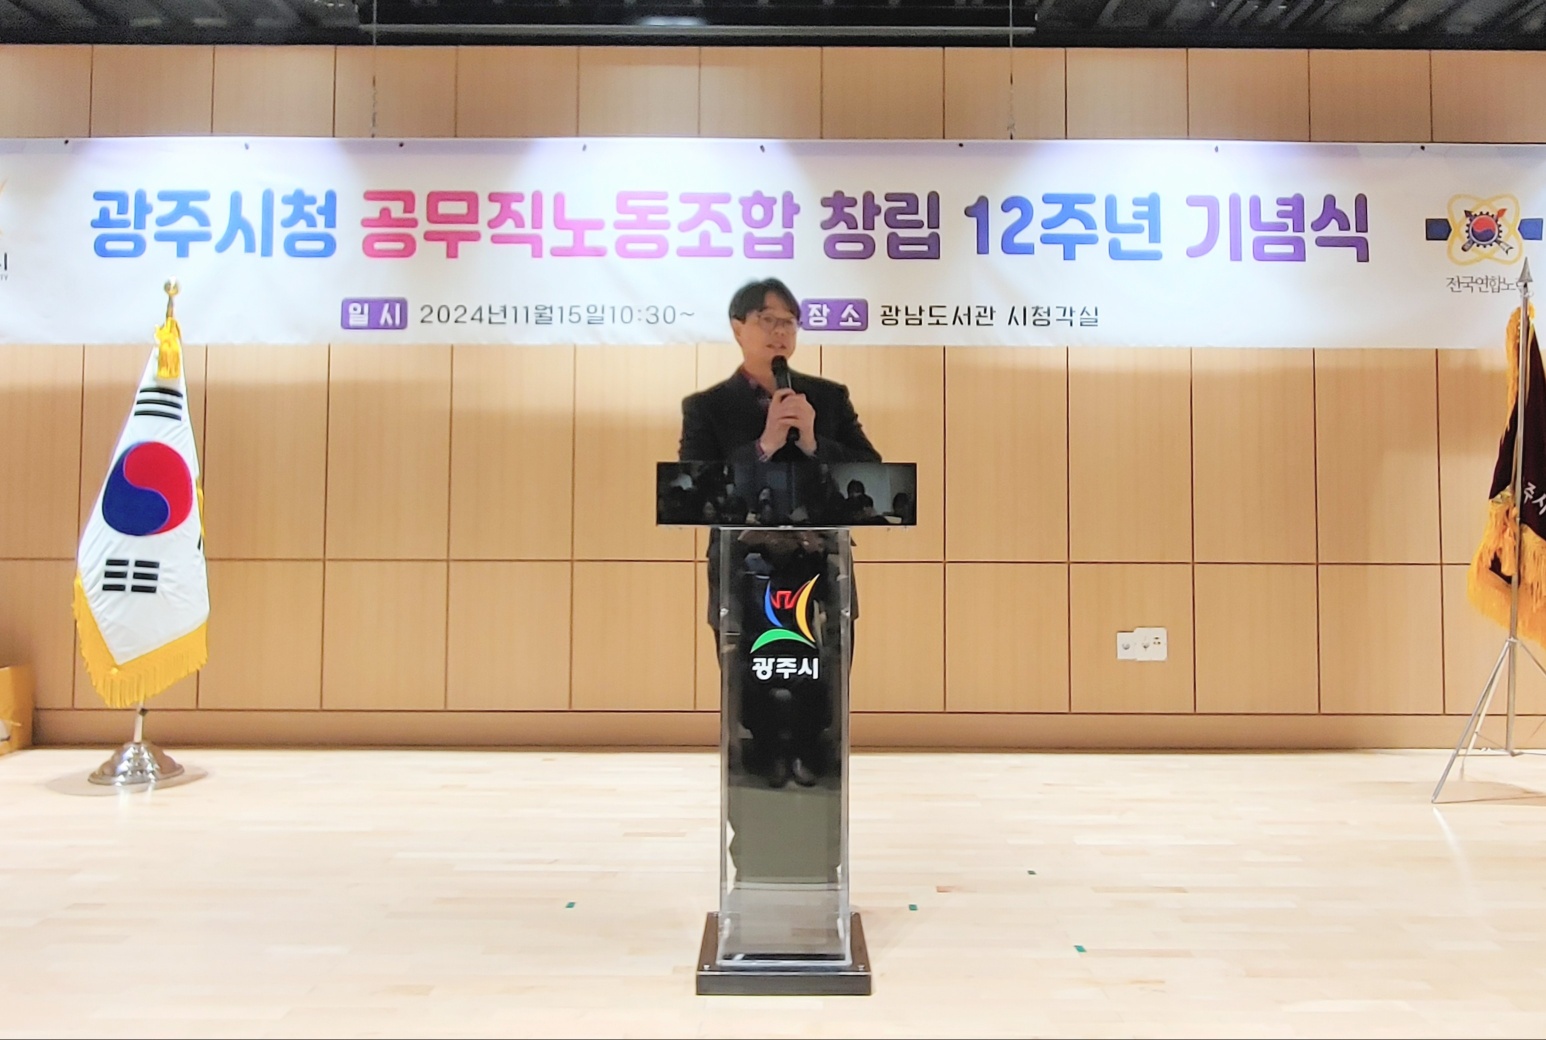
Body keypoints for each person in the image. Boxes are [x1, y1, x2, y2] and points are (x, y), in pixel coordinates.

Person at [678, 278, 880, 789]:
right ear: (738, 328)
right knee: (750, 680)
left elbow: (872, 476)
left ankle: (817, 764)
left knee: (823, 680)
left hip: (821, 568)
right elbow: (698, 486)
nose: (779, 332)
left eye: (788, 322)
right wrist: (764, 444)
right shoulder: (706, 407)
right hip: (745, 569)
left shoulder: (828, 399)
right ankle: (760, 768)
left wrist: (812, 440)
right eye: (767, 320)